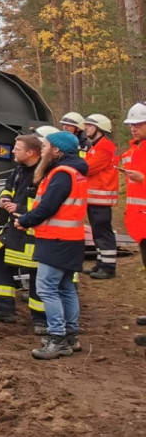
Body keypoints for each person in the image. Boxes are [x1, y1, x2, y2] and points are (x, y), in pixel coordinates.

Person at [15, 131, 88, 360]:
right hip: (70, 239)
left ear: (57, 150)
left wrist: (25, 220)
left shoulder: (62, 174)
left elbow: (48, 206)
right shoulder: (73, 171)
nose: (43, 149)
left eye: (46, 146)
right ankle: (70, 336)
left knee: (47, 287)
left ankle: (57, 338)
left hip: (56, 240)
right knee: (66, 287)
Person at [0, 134, 46, 332]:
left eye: (18, 148)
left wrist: (20, 206)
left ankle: (40, 319)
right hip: (15, 228)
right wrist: (5, 199)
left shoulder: (43, 173)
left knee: (36, 273)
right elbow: (8, 187)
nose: (13, 151)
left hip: (35, 232)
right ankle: (4, 308)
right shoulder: (20, 170)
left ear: (31, 152)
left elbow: (44, 204)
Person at [119, 103, 146, 347]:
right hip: (140, 223)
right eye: (131, 125)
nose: (133, 129)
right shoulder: (135, 150)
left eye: (138, 124)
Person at [82, 114, 119, 279]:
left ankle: (109, 267)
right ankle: (101, 263)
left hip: (101, 199)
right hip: (95, 198)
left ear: (99, 128)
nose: (86, 128)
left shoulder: (105, 147)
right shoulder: (96, 146)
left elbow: (88, 168)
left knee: (103, 232)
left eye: (89, 125)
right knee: (98, 233)